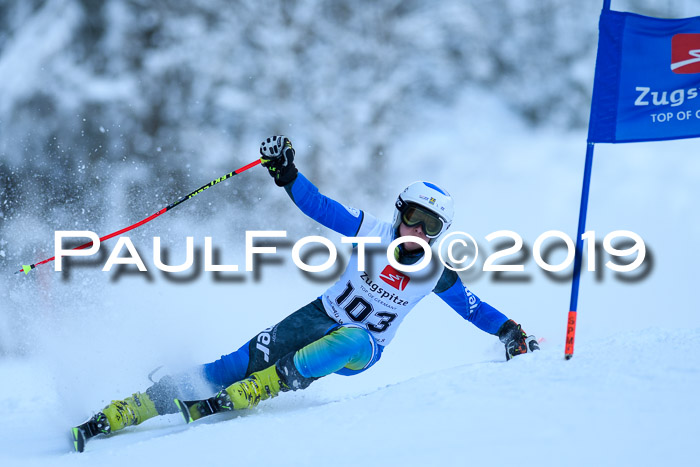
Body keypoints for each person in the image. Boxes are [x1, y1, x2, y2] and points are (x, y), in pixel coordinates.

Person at [72, 135, 539, 449]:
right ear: (399, 211)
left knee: (357, 338)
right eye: (413, 216)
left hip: (360, 348)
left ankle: (267, 386)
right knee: (231, 365)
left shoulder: (434, 272)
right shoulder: (371, 231)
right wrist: (288, 174)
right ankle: (127, 409)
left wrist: (509, 330)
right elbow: (321, 208)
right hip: (318, 317)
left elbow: (473, 308)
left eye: (430, 224)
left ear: (439, 233)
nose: (416, 230)